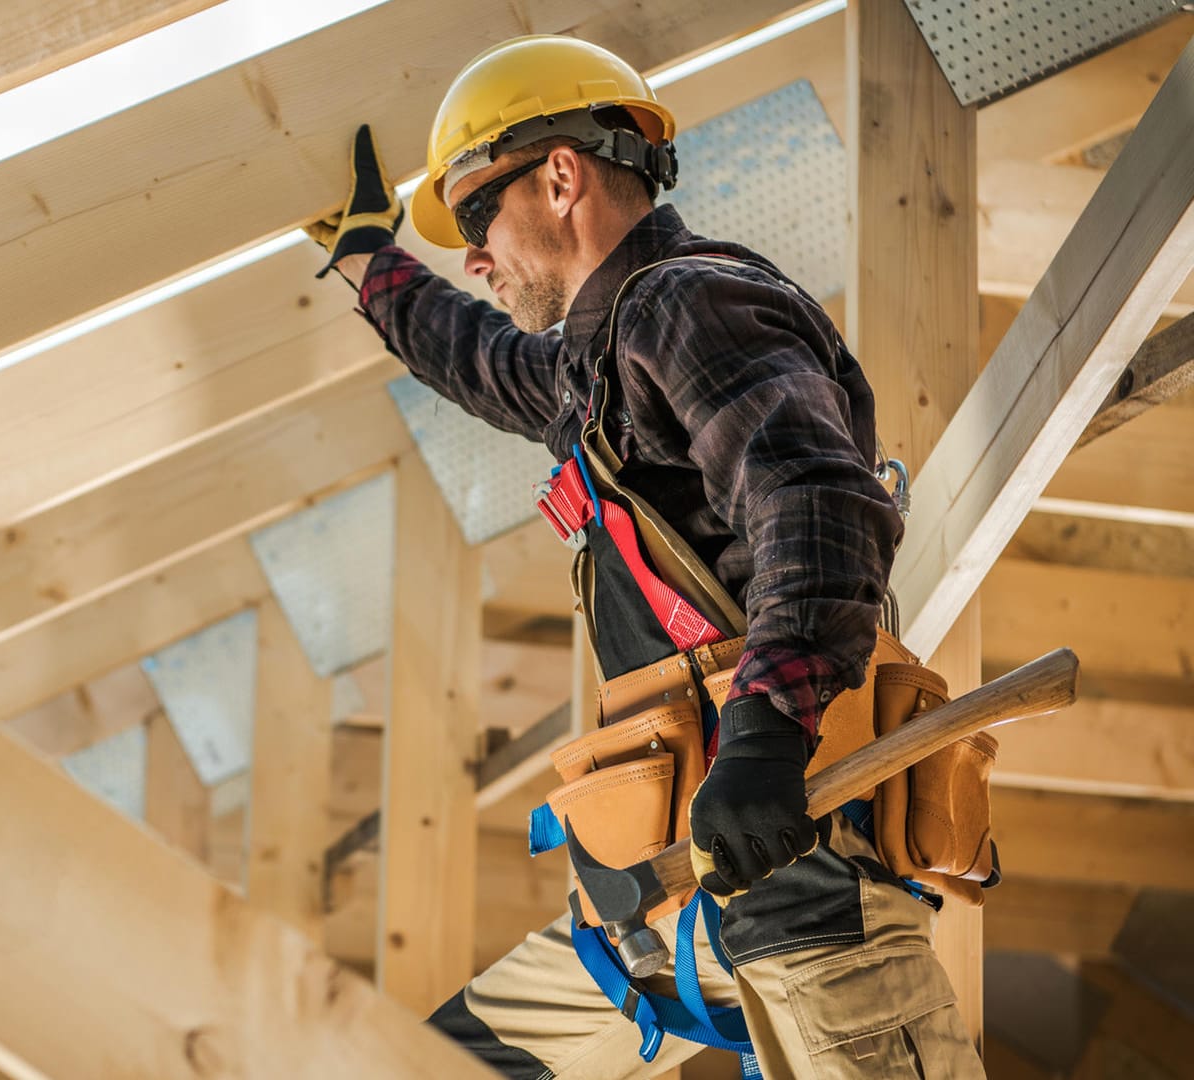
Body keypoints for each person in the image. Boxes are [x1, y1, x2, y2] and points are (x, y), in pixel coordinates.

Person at [307, 35, 987, 1080]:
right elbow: (476, 359)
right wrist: (369, 260)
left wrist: (763, 738)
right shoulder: (596, 363)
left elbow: (812, 496)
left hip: (800, 887)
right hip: (663, 904)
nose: (475, 259)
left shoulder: (685, 304)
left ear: (563, 176)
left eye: (477, 218)